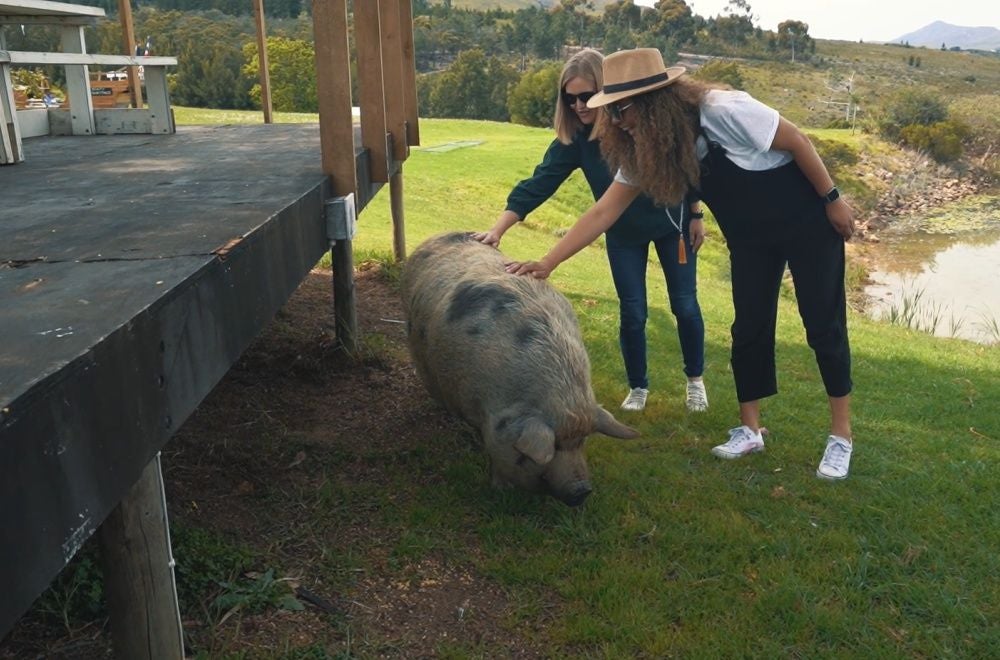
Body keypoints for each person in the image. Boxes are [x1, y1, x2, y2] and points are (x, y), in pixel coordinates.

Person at [507, 48, 856, 480]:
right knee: (748, 328)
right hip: (750, 239)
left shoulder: (724, 110)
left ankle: (841, 436)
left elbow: (797, 141)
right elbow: (603, 212)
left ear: (655, 100)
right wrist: (547, 263)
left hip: (807, 222)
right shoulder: (646, 148)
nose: (616, 121)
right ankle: (750, 430)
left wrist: (833, 200)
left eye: (621, 108)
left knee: (823, 325)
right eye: (610, 111)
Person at [476, 48, 709, 414]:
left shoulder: (639, 125)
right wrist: (497, 230)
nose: (580, 106)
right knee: (633, 312)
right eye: (570, 100)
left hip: (671, 224)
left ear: (607, 91)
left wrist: (695, 213)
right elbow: (539, 184)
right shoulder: (575, 141)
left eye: (586, 96)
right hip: (621, 233)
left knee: (685, 305)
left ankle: (695, 381)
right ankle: (638, 387)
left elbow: (683, 164)